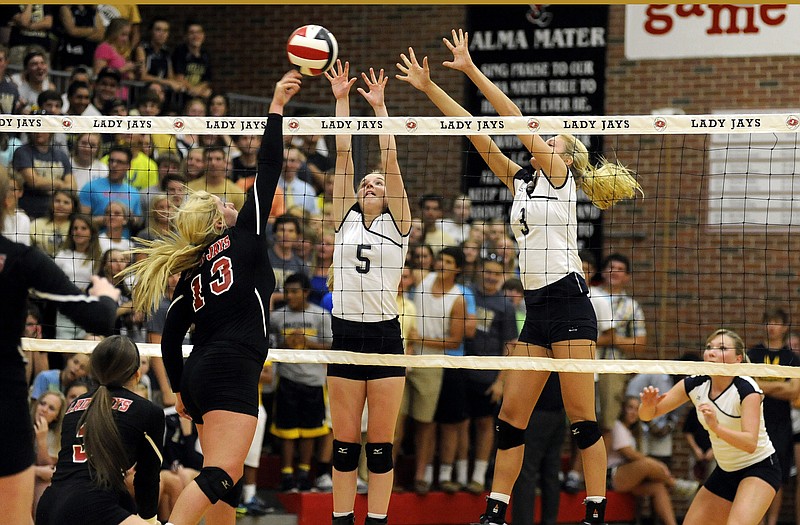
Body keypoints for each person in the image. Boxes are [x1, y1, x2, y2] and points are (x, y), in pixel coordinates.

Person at [395, 29, 642, 525]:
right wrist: (429, 89)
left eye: (549, 137)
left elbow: (511, 116)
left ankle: (595, 509)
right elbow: (474, 131)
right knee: (511, 418)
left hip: (572, 305)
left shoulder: (560, 175)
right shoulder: (523, 180)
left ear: (566, 154)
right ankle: (495, 510)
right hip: (537, 311)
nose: (541, 138)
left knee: (582, 420)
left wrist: (469, 69)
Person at [124, 71, 301, 525]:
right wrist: (276, 106)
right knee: (222, 474)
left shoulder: (192, 271)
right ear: (220, 223)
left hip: (202, 373)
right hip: (231, 368)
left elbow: (169, 338)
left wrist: (181, 388)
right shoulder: (244, 235)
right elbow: (269, 167)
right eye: (222, 204)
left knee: (222, 475)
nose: (230, 203)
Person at [0, 168, 119, 525]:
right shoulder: (19, 258)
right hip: (3, 398)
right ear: (9, 199)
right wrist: (106, 295)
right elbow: (98, 318)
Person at [324, 61, 411, 525]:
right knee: (343, 446)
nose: (369, 184)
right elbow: (343, 157)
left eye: (375, 182)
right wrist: (342, 99)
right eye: (365, 183)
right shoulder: (345, 219)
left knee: (379, 447)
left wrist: (379, 107)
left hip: (383, 337)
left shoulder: (399, 224)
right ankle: (341, 519)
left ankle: (376, 520)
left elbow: (390, 160)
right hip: (345, 335)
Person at [639, 329, 781, 525]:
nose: (711, 352)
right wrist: (647, 406)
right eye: (709, 348)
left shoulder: (747, 390)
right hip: (726, 470)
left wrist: (716, 427)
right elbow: (648, 415)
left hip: (759, 467)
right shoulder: (695, 384)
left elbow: (750, 443)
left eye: (721, 348)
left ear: (738, 358)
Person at [36, 336, 165, 525]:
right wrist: (149, 521)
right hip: (92, 507)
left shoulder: (73, 406)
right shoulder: (147, 411)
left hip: (49, 505)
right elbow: (147, 479)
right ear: (137, 375)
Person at [269, 272, 333, 492]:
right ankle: (287, 475)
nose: (289, 295)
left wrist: (308, 343)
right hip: (287, 380)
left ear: (306, 292)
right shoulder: (276, 317)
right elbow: (270, 350)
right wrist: (286, 344)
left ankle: (305, 473)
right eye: (286, 291)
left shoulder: (321, 316)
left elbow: (332, 348)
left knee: (310, 430)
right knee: (287, 430)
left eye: (294, 291)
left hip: (314, 382)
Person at [747, 306, 798, 525]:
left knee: (778, 475)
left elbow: (794, 391)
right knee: (755, 473)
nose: (772, 327)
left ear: (785, 327)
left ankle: (773, 522)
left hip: (781, 423)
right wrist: (779, 386)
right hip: (755, 421)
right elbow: (748, 385)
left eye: (777, 323)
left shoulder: (792, 357)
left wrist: (763, 386)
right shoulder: (753, 354)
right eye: (769, 322)